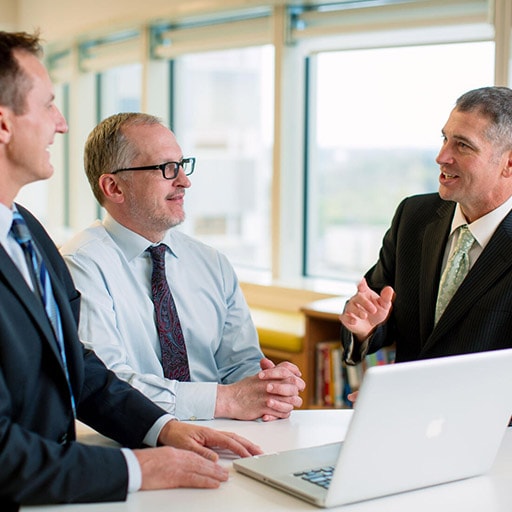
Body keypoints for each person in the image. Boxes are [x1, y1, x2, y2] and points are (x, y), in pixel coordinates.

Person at [0, 30, 263, 509]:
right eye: (47, 106)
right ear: (3, 124)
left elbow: (79, 368)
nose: (60, 124)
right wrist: (137, 468)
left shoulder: (26, 233)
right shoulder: (76, 255)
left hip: (57, 486)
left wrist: (163, 428)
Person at [61, 112, 305, 422]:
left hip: (226, 434)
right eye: (166, 169)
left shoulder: (211, 263)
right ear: (114, 188)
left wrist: (271, 386)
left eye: (182, 165)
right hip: (131, 444)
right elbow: (107, 386)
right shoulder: (79, 265)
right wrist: (226, 400)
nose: (184, 181)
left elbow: (240, 367)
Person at [339, 86, 512, 379]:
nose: (442, 156)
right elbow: (376, 310)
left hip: (492, 423)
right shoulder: (414, 217)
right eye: (445, 138)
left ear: (508, 163)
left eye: (463, 146)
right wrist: (366, 327)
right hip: (409, 419)